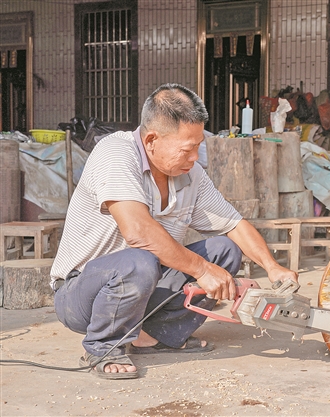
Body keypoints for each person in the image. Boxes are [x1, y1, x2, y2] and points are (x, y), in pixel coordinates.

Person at [50, 83, 298, 380]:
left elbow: (233, 224)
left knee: (225, 250)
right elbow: (138, 232)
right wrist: (203, 271)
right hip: (82, 295)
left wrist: (272, 268)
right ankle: (103, 345)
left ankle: (155, 337)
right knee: (140, 261)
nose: (195, 157)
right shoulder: (115, 152)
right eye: (188, 148)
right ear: (152, 140)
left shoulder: (189, 174)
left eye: (198, 146)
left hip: (144, 283)